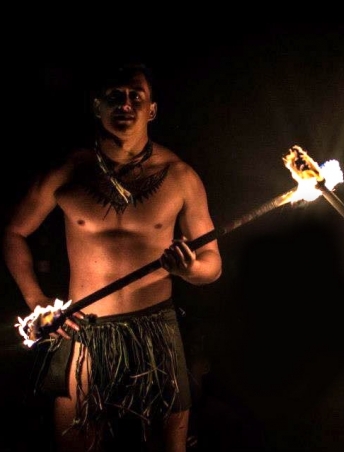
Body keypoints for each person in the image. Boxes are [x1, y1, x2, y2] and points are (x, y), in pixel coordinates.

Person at [2, 63, 222, 451]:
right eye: (114, 96)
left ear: (151, 109)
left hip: (157, 331)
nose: (125, 105)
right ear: (96, 106)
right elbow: (14, 232)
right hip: (85, 330)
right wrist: (36, 301)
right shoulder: (68, 171)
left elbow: (212, 264)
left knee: (168, 445)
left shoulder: (179, 176)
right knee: (73, 441)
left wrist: (190, 269)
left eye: (136, 96)